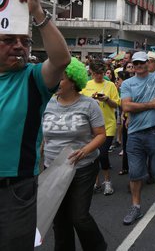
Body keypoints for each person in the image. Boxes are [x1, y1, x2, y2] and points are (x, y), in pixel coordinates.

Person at [0, 0, 70, 250]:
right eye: (9, 40)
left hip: (15, 189)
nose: (19, 46)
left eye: (25, 41)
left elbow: (61, 59)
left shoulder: (32, 78)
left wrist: (38, 12)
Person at [42, 58, 107, 250]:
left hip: (82, 168)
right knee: (59, 219)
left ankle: (97, 247)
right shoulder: (47, 103)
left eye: (60, 78)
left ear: (73, 81)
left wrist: (85, 150)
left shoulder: (89, 105)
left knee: (79, 216)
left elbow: (101, 135)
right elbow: (42, 138)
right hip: (53, 168)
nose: (55, 82)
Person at [120, 52, 155, 225]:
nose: (139, 65)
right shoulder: (127, 83)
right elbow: (126, 105)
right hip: (134, 134)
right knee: (134, 172)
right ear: (132, 65)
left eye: (142, 62)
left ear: (148, 63)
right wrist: (151, 105)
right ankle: (136, 206)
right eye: (136, 63)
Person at [81, 59, 120, 196]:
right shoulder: (86, 85)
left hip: (107, 125)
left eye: (102, 73)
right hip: (90, 126)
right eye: (97, 73)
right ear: (91, 72)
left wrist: (107, 99)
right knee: (93, 155)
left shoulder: (110, 85)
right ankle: (95, 182)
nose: (99, 75)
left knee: (103, 154)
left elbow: (117, 104)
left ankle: (107, 182)